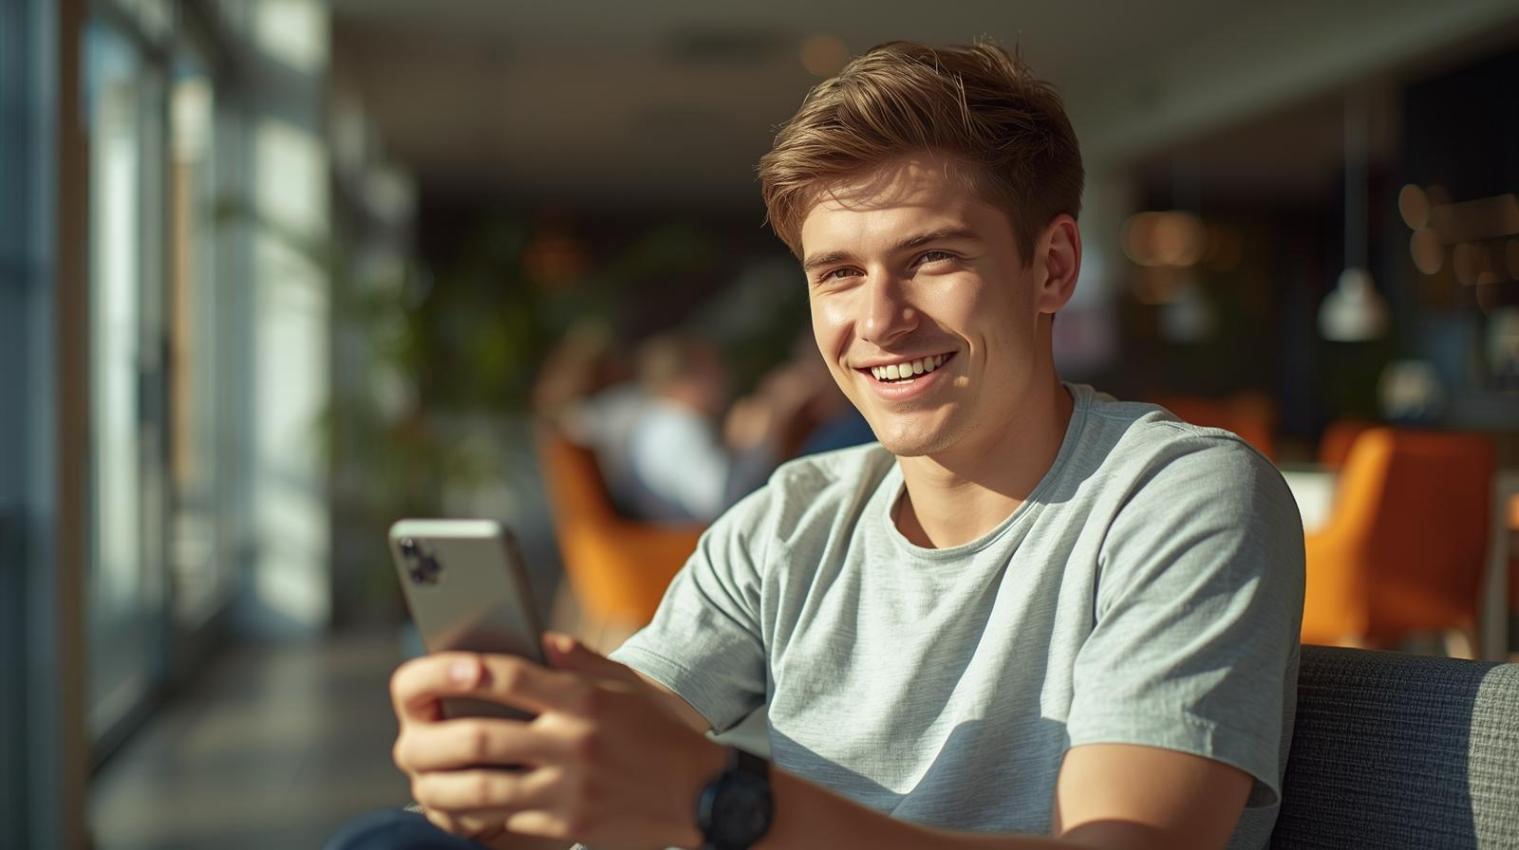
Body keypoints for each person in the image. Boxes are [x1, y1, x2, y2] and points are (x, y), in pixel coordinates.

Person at [348, 40, 1304, 850]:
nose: (877, 321)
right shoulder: (790, 518)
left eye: (931, 257)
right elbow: (643, 725)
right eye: (837, 274)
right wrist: (530, 743)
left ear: (1049, 266)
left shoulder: (1180, 496)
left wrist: (727, 803)